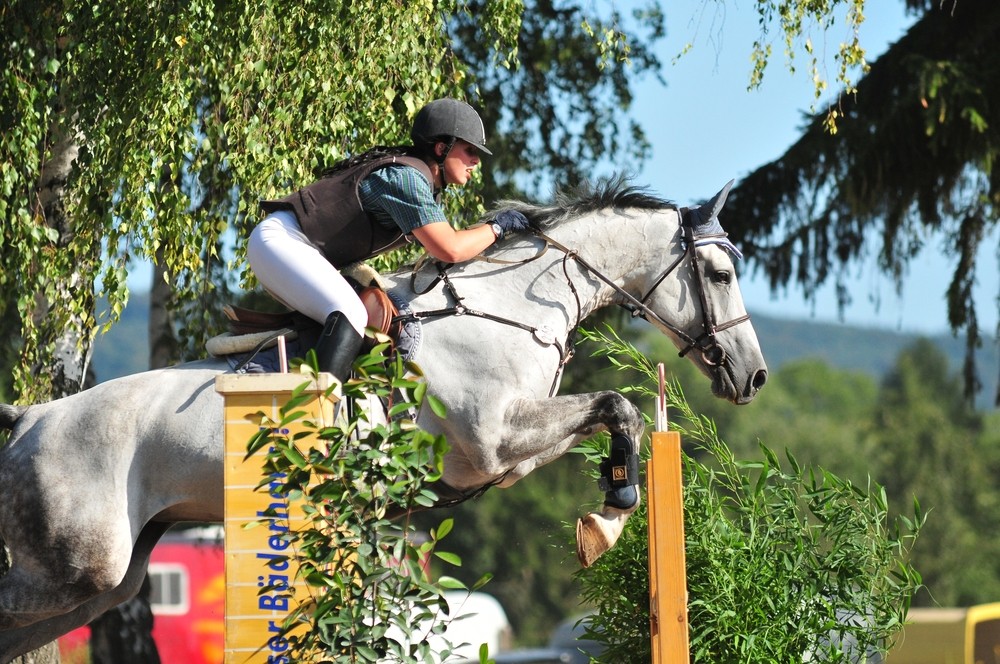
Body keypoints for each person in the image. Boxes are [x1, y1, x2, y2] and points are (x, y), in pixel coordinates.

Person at [247, 98, 530, 381]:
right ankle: (315, 413)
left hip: (299, 249)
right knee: (351, 314)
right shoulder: (406, 180)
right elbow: (451, 248)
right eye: (469, 150)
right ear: (441, 148)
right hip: (282, 242)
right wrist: (497, 227)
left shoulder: (423, 184)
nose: (476, 161)